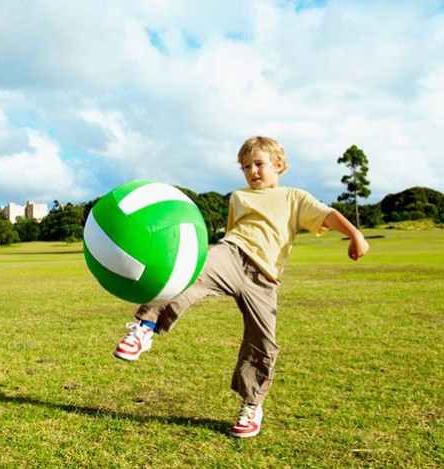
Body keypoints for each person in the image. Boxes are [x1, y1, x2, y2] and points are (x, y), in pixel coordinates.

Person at [112, 136, 369, 438]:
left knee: (263, 341)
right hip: (232, 254)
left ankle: (251, 405)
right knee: (187, 273)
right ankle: (144, 328)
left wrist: (355, 234)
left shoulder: (294, 197)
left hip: (265, 278)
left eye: (259, 164)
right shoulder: (239, 197)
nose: (253, 171)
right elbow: (234, 231)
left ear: (278, 165)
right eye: (246, 167)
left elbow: (328, 216)